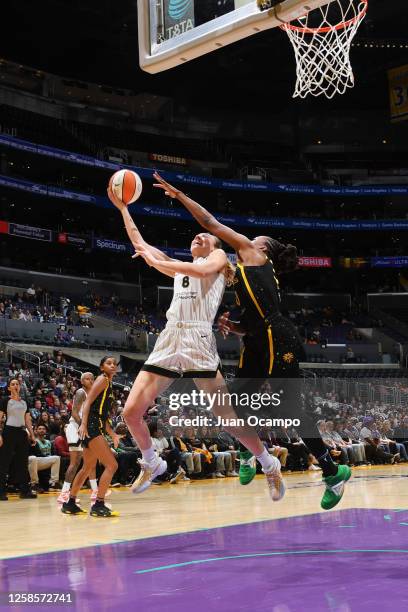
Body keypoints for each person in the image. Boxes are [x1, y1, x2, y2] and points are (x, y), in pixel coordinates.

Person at [152, 172, 351, 510]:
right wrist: (237, 327)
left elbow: (211, 222)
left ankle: (333, 470)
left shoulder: (255, 257)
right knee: (235, 405)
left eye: (250, 239)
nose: (243, 240)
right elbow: (253, 319)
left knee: (290, 409)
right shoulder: (246, 271)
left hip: (278, 338)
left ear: (261, 247)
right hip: (259, 338)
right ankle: (252, 452)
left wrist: (179, 195)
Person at [108, 185, 285, 502]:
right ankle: (152, 462)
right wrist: (123, 208)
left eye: (204, 237)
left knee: (227, 419)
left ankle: (268, 463)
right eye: (196, 238)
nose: (199, 238)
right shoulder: (180, 271)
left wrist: (156, 260)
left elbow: (196, 267)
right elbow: (139, 243)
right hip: (169, 338)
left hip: (197, 340)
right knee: (131, 413)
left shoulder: (217, 259)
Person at [61, 357, 121, 517]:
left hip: (96, 426)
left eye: (115, 363)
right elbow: (87, 404)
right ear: (102, 367)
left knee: (87, 468)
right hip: (92, 427)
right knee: (112, 465)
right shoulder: (102, 380)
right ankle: (98, 504)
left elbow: (100, 413)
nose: (113, 365)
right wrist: (83, 424)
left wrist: (112, 434)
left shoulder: (108, 382)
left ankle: (70, 503)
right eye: (109, 363)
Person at [57, 372, 103, 505]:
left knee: (91, 462)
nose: (90, 380)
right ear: (82, 381)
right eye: (87, 379)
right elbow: (75, 413)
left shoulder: (93, 395)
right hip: (76, 427)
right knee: (75, 462)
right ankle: (64, 493)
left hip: (84, 429)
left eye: (92, 378)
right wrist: (84, 426)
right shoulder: (81, 392)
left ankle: (95, 491)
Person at [0, 378, 37, 500]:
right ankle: (1, 492)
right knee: (4, 462)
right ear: (9, 388)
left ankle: (25, 491)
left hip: (21, 433)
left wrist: (32, 434)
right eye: (13, 384)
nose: (15, 386)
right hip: (8, 432)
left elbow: (27, 420)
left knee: (22, 462)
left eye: (17, 384)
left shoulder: (25, 401)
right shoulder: (5, 400)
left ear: (20, 387)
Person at [29, 425, 61, 491]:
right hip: (35, 461)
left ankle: (53, 483)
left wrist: (49, 457)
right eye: (39, 429)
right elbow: (36, 454)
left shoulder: (49, 442)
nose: (42, 430)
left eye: (43, 429)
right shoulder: (34, 441)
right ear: (36, 431)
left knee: (57, 458)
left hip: (43, 461)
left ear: (46, 431)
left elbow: (53, 453)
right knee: (33, 458)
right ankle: (34, 484)